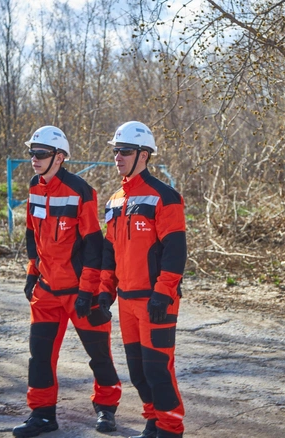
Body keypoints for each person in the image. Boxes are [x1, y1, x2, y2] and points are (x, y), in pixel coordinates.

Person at [13, 125, 122, 437]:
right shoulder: (35, 187)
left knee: (99, 355)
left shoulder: (80, 191)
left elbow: (93, 245)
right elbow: (32, 236)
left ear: (59, 157)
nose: (34, 159)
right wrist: (32, 274)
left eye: (40, 154)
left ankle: (106, 409)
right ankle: (42, 415)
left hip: (79, 292)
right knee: (40, 358)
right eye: (31, 153)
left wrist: (91, 291)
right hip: (47, 291)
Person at [99, 121, 187, 438]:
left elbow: (175, 253)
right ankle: (153, 421)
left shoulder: (165, 196)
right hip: (126, 301)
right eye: (115, 150)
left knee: (157, 370)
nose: (117, 156)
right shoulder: (114, 201)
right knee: (138, 372)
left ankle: (170, 428)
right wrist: (103, 294)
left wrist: (163, 294)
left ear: (144, 154)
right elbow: (110, 253)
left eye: (124, 151)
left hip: (156, 302)